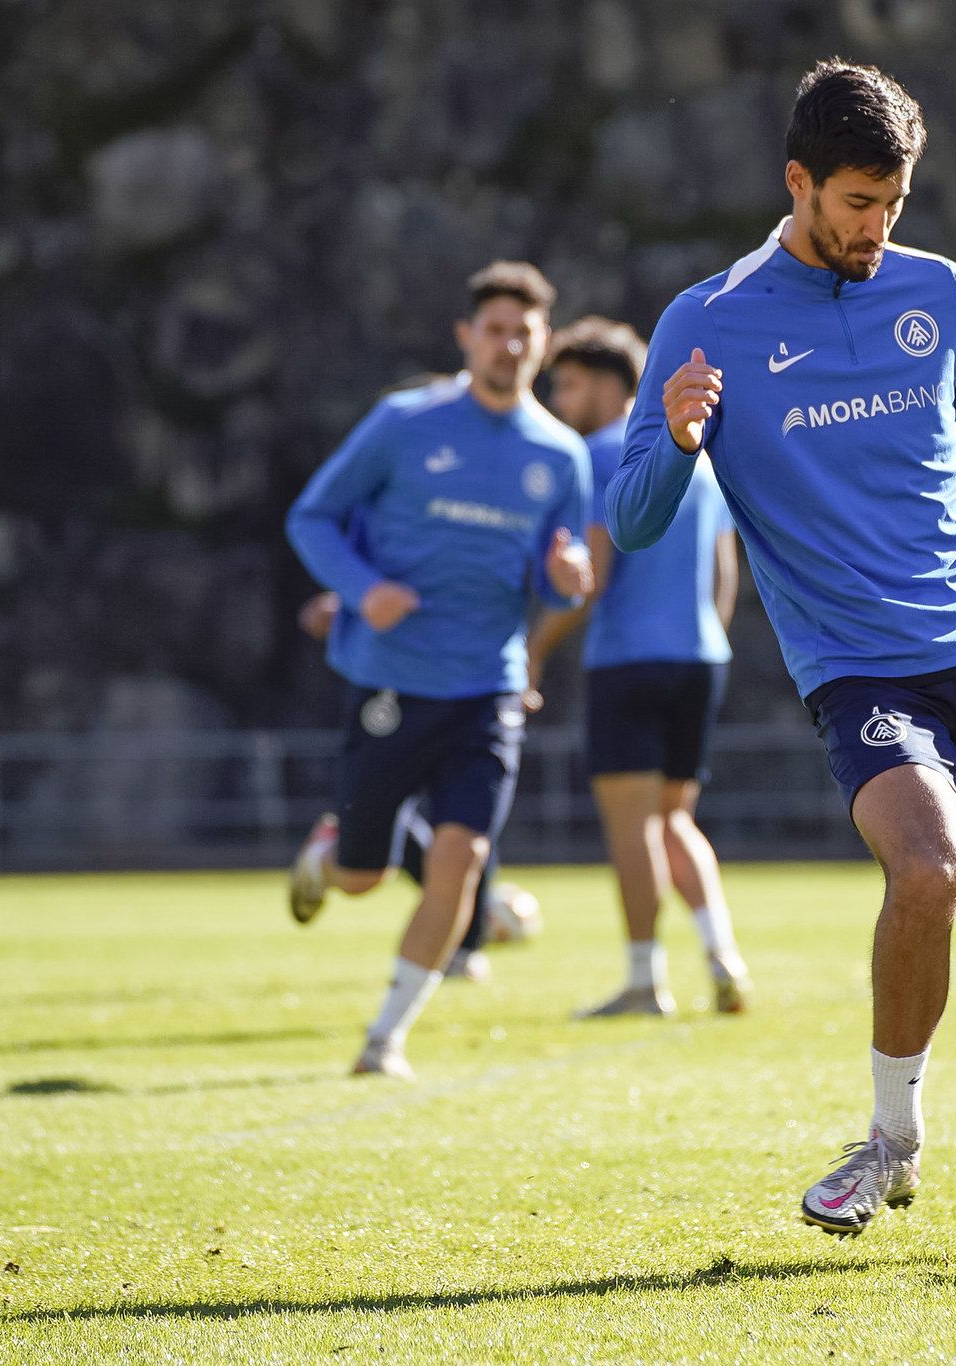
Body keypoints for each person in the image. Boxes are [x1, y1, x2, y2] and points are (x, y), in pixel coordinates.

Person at [607, 61, 956, 1256]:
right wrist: (680, 439)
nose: (874, 229)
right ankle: (890, 1144)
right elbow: (632, 519)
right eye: (853, 203)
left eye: (892, 204)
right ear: (796, 182)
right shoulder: (707, 318)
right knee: (931, 869)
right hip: (860, 669)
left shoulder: (940, 295)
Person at [286, 261, 592, 1079]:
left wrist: (564, 582)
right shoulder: (402, 422)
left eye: (524, 333)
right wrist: (362, 589)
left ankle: (385, 1038)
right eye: (494, 330)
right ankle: (329, 854)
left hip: (488, 688)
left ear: (546, 346)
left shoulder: (560, 457)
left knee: (459, 863)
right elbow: (310, 515)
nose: (509, 345)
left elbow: (552, 569)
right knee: (362, 877)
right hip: (393, 677)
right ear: (467, 337)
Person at [523, 317, 752, 1018]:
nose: (559, 401)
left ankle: (642, 981)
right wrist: (707, 637)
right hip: (699, 659)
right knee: (676, 818)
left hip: (628, 659)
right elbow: (724, 570)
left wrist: (532, 652)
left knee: (633, 826)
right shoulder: (698, 455)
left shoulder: (595, 454)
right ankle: (723, 957)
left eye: (565, 384)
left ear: (602, 383)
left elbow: (590, 571)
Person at [296, 588, 543, 964]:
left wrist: (515, 669)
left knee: (469, 827)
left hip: (478, 689)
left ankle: (463, 948)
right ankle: (328, 857)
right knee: (365, 873)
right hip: (395, 685)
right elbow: (374, 550)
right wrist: (351, 595)